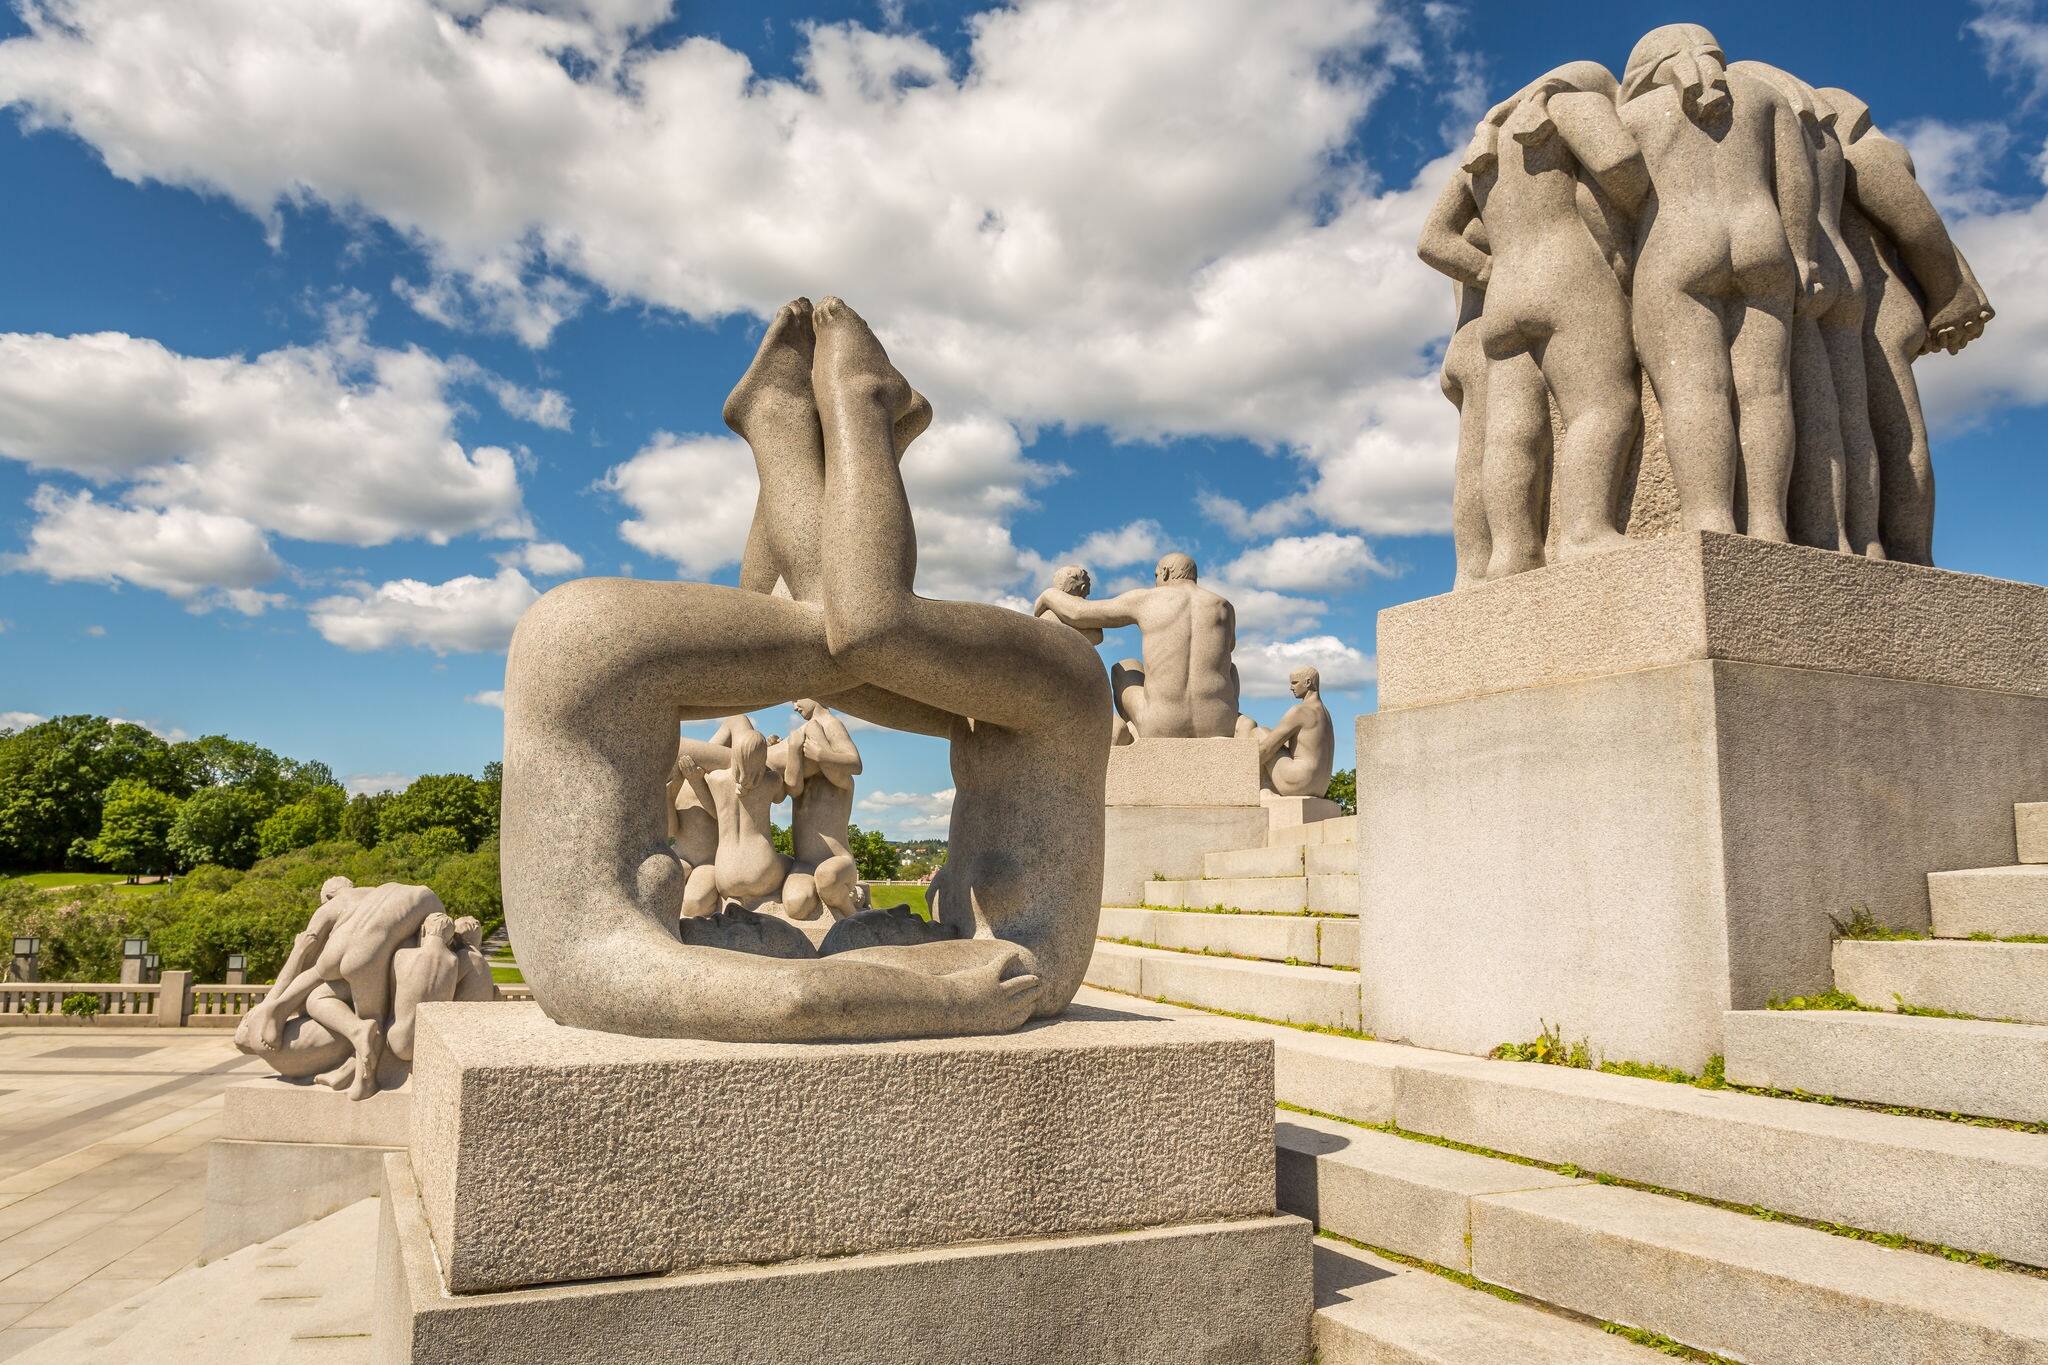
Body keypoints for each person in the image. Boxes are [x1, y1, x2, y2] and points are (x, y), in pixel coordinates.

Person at [500, 296, 1109, 1041]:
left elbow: (802, 999)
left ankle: (851, 409)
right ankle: (791, 422)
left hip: (592, 655)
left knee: (859, 627)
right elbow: (800, 995)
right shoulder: (582, 963)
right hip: (574, 653)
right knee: (852, 629)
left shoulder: (602, 967)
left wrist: (955, 1001)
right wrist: (949, 996)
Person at [1618, 23, 1818, 544]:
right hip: (1761, 238)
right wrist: (1800, 252)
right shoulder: (1765, 97)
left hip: (1680, 243)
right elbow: (1798, 180)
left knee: (1695, 387)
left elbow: (1612, 202)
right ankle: (1770, 525)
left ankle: (1710, 520)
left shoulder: (1635, 114)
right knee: (1767, 390)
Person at [1462, 60, 1645, 575]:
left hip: (1503, 296)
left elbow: (1432, 240)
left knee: (1512, 433)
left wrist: (1491, 267)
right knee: (1603, 407)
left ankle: (1512, 555)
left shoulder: (1485, 147)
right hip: (1569, 275)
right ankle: (1586, 534)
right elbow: (1623, 167)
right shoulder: (1569, 104)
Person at [1033, 552, 1240, 739]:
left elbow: (1078, 613)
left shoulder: (1146, 598)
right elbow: (1228, 648)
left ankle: (1136, 729)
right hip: (1219, 722)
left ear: (1165, 573)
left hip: (1161, 724)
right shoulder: (1223, 606)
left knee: (1127, 666)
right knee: (1230, 669)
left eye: (1156, 575)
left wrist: (1048, 595)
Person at [1252, 667, 1335, 800]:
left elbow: (1266, 749)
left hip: (1298, 782)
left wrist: (1238, 771)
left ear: (1308, 682)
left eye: (1295, 682)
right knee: (1269, 732)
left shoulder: (1300, 711)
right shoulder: (1325, 714)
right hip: (1321, 786)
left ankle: (1265, 789)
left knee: (1257, 732)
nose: (1291, 687)